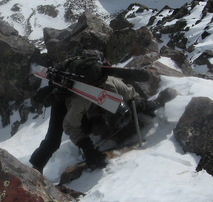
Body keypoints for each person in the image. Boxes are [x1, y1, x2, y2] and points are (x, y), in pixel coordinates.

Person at [29, 55, 157, 174]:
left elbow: (131, 96)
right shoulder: (81, 102)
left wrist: (143, 105)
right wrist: (87, 148)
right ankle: (35, 167)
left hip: (89, 102)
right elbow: (70, 125)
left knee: (92, 120)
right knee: (53, 140)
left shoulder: (113, 85)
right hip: (64, 99)